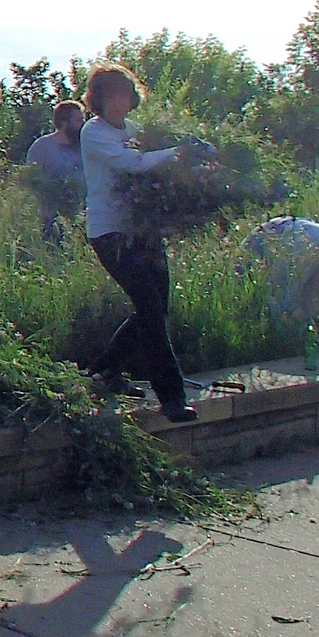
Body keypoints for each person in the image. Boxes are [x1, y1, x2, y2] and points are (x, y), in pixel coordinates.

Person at [77, 61, 207, 422]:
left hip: (143, 233)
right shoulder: (95, 132)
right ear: (97, 100)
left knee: (155, 309)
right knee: (150, 310)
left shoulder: (135, 129)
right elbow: (132, 163)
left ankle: (105, 371)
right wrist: (176, 153)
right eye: (110, 95)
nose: (118, 101)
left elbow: (158, 154)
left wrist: (195, 152)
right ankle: (171, 398)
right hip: (110, 234)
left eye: (124, 94)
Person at [246, 217, 319, 334]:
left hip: (301, 237)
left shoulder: (245, 253)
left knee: (283, 300)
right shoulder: (258, 235)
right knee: (311, 300)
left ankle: (285, 342)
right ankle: (311, 340)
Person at [25, 100, 89, 242]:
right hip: (52, 218)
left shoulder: (84, 147)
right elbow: (31, 179)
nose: (83, 124)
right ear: (64, 123)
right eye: (78, 120)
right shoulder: (42, 147)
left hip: (83, 217)